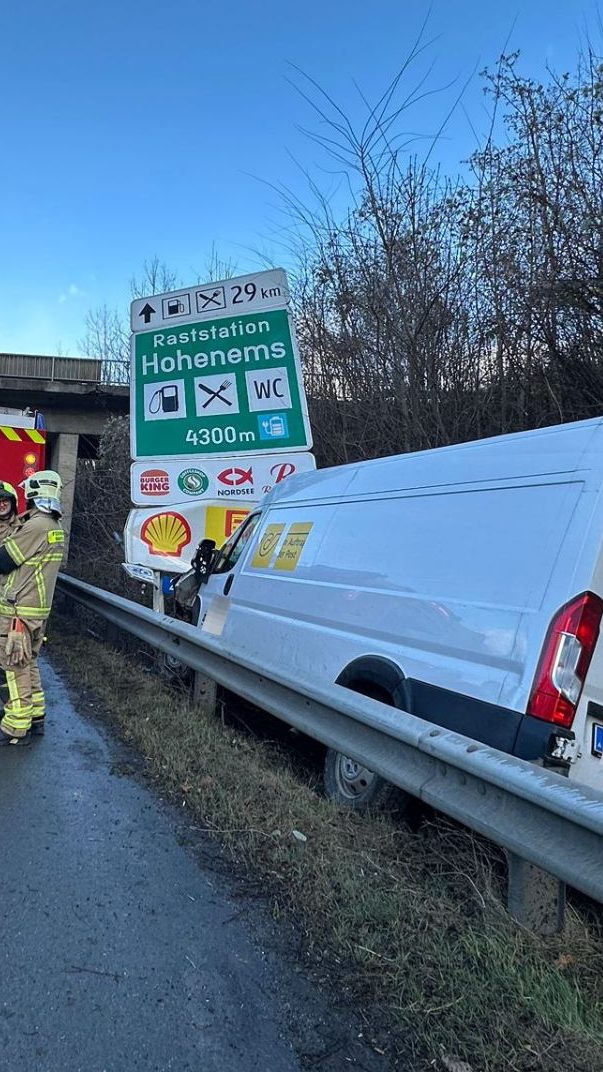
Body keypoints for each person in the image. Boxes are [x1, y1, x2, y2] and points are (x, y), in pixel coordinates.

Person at [0, 470, 65, 746]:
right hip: (34, 609)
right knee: (28, 662)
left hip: (19, 609)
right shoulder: (51, 524)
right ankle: (36, 715)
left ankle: (15, 725)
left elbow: (5, 561)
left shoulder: (36, 526)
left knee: (13, 666)